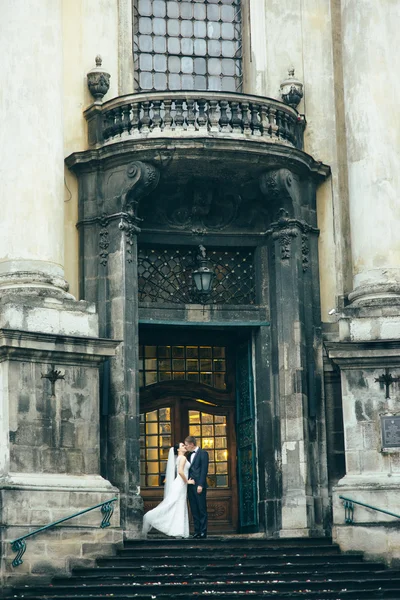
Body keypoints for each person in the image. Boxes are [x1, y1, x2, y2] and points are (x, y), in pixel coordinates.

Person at [142, 442, 194, 538]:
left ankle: (178, 530)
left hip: (180, 485)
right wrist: (187, 481)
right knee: (174, 505)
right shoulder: (182, 458)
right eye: (182, 446)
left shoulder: (179, 458)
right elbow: (180, 472)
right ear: (178, 450)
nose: (184, 446)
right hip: (180, 484)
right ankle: (149, 517)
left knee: (178, 506)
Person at [185, 435, 209, 539]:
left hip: (199, 486)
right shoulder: (189, 455)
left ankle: (203, 531)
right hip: (190, 486)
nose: (186, 447)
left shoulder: (203, 453)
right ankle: (197, 531)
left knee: (201, 509)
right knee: (194, 509)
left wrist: (201, 485)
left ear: (191, 444)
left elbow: (204, 470)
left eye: (186, 445)